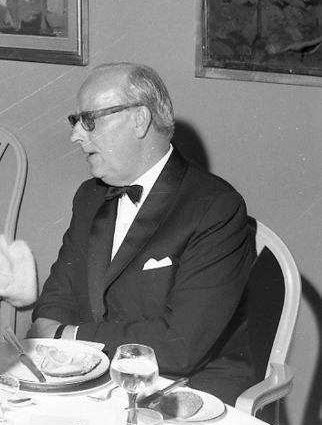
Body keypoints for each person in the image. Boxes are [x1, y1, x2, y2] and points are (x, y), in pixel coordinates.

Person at [29, 62, 255, 404]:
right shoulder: (90, 197)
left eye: (89, 120)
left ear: (139, 120)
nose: (76, 135)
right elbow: (56, 301)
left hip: (189, 390)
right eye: (75, 121)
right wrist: (57, 339)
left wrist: (70, 337)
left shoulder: (216, 207)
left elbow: (180, 345)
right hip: (100, 383)